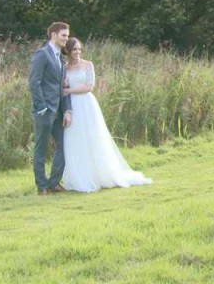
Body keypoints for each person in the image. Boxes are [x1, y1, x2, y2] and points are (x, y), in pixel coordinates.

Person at [60, 37, 152, 192]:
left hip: (86, 104)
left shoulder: (88, 65)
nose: (77, 52)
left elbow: (90, 86)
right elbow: (63, 85)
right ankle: (79, 176)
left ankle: (100, 174)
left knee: (93, 137)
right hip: (72, 106)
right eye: (74, 49)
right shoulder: (65, 69)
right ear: (68, 51)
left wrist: (69, 90)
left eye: (79, 49)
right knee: (75, 139)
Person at [29, 21, 72, 195]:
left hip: (59, 111)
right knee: (41, 148)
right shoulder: (42, 54)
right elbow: (34, 82)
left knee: (63, 146)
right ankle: (41, 186)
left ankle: (54, 183)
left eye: (68, 36)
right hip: (44, 111)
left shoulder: (60, 59)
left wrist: (67, 110)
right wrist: (41, 108)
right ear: (53, 35)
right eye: (64, 35)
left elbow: (62, 87)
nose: (66, 39)